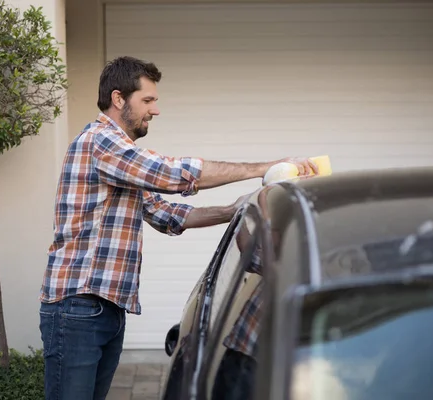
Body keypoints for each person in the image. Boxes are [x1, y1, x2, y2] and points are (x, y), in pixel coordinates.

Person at [38, 55, 318, 400]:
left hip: (103, 308)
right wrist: (267, 167)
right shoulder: (101, 142)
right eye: (148, 100)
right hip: (78, 308)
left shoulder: (121, 159)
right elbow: (172, 174)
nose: (155, 110)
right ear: (118, 98)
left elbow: (168, 215)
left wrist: (236, 209)